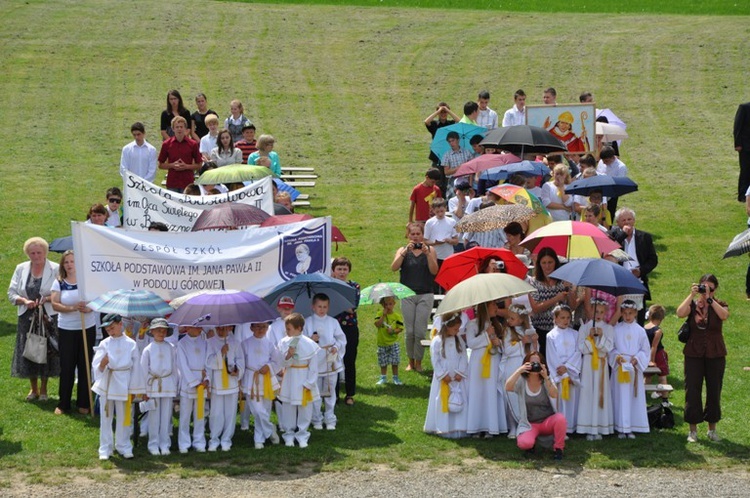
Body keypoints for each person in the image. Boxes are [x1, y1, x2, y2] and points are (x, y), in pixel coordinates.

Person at [676, 274, 729, 443]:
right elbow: (679, 313)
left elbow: (724, 316)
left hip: (715, 352)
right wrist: (691, 295)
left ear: (715, 289)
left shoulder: (719, 304)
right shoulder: (693, 304)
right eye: (703, 287)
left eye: (710, 288)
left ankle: (712, 429)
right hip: (693, 352)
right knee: (692, 389)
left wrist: (710, 300)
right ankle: (693, 431)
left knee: (714, 390)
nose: (706, 291)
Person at [8, 237, 60, 402]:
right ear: (27, 253)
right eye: (32, 253)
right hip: (27, 317)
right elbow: (11, 293)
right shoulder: (21, 268)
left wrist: (48, 298)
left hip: (47, 317)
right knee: (29, 350)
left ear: (45, 252)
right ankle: (33, 388)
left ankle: (44, 389)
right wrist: (24, 301)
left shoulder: (56, 268)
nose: (36, 255)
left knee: (46, 351)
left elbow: (63, 292)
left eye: (39, 252)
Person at [91, 313, 146, 460]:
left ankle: (124, 445)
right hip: (108, 382)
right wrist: (102, 364)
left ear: (120, 324)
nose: (110, 331)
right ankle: (105, 448)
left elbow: (136, 369)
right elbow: (96, 365)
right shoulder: (104, 343)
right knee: (106, 416)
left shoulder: (131, 344)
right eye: (108, 330)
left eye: (112, 328)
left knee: (124, 417)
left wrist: (134, 389)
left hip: (124, 382)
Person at [50, 250, 94, 415]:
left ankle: (83, 402)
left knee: (85, 364)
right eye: (66, 262)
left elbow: (97, 300)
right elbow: (55, 304)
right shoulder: (59, 282)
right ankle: (64, 403)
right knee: (67, 365)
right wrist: (72, 308)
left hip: (86, 327)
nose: (69, 265)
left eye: (72, 261)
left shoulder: (87, 281)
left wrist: (89, 308)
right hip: (67, 329)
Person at [391, 222, 438, 372]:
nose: (416, 237)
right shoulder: (402, 250)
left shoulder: (430, 250)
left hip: (425, 294)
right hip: (407, 294)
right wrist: (405, 252)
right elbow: (394, 267)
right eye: (413, 234)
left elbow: (434, 271)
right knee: (409, 331)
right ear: (408, 236)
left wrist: (428, 254)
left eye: (418, 234)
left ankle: (418, 361)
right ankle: (410, 361)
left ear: (423, 235)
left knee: (419, 330)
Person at [505, 351, 566, 460]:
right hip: (530, 423)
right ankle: (531, 444)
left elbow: (554, 394)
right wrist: (519, 370)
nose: (534, 366)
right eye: (531, 363)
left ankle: (559, 449)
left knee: (560, 418)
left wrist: (546, 376)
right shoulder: (522, 381)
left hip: (547, 422)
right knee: (524, 443)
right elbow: (508, 387)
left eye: (537, 363)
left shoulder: (546, 380)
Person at [304, 293, 346, 430]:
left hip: (329, 360)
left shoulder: (333, 322)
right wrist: (311, 339)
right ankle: (316, 418)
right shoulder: (308, 322)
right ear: (313, 307)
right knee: (315, 391)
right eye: (319, 306)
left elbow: (341, 338)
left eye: (325, 307)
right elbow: (302, 341)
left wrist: (336, 347)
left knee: (330, 389)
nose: (322, 309)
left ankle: (330, 417)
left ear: (328, 307)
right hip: (315, 361)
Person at [277, 313, 321, 448]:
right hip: (290, 377)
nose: (287, 331)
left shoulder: (310, 344)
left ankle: (302, 434)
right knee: (288, 407)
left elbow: (314, 368)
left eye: (289, 328)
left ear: (299, 328)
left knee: (305, 408)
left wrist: (309, 383)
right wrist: (289, 354)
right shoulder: (284, 342)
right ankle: (288, 434)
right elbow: (283, 364)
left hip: (304, 378)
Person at [609, 300, 650, 439]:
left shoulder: (640, 331)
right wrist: (616, 357)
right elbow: (611, 348)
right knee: (620, 396)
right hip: (620, 368)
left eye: (630, 313)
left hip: (633, 369)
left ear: (635, 313)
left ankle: (631, 426)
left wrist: (637, 359)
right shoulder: (616, 329)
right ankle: (620, 427)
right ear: (621, 313)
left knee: (632, 397)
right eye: (625, 313)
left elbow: (645, 350)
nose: (627, 316)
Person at [610, 207, 658, 324]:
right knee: (621, 316)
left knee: (638, 316)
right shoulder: (614, 235)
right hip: (620, 282)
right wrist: (623, 234)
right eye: (623, 220)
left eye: (629, 219)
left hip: (638, 282)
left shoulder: (644, 237)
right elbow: (611, 248)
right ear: (618, 223)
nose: (627, 222)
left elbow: (653, 260)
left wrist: (640, 271)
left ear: (634, 221)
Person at [466, 299, 507, 437]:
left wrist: (497, 342)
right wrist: (486, 335)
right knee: (478, 391)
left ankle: (491, 425)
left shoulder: (497, 325)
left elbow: (503, 345)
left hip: (493, 360)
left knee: (491, 390)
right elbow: (471, 343)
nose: (496, 307)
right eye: (493, 304)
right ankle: (476, 426)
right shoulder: (472, 324)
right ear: (485, 307)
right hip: (478, 362)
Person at [423, 312, 468, 438]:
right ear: (447, 327)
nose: (457, 331)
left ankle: (458, 426)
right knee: (442, 399)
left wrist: (460, 372)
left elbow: (464, 356)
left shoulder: (458, 339)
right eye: (455, 329)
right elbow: (435, 360)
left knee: (458, 398)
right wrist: (443, 375)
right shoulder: (437, 341)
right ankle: (442, 426)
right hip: (445, 378)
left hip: (457, 377)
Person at [240, 321, 283, 449]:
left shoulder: (270, 344)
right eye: (258, 326)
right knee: (257, 410)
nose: (261, 329)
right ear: (251, 327)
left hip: (265, 379)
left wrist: (269, 366)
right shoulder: (245, 344)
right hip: (251, 379)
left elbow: (277, 361)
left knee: (265, 409)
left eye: (264, 327)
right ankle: (270, 428)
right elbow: (242, 363)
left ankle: (259, 439)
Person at [576, 298, 614, 440]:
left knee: (599, 392)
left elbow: (609, 347)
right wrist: (589, 338)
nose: (598, 314)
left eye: (601, 312)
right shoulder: (584, 328)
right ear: (590, 311)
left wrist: (602, 337)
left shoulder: (609, 328)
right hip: (588, 365)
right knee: (587, 392)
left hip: (601, 365)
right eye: (596, 311)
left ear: (605, 313)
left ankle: (599, 427)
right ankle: (586, 427)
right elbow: (581, 348)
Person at [140, 318, 178, 456]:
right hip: (153, 384)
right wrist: (145, 390)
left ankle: (165, 443)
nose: (161, 333)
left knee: (166, 415)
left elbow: (175, 368)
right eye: (158, 330)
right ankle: (153, 444)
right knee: (154, 416)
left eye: (163, 330)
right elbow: (143, 370)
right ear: (152, 331)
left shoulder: (171, 348)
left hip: (167, 383)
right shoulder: (148, 349)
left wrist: (175, 385)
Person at [527, 247, 573, 357]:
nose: (547, 266)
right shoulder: (533, 282)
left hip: (562, 330)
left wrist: (570, 290)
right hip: (541, 331)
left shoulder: (563, 281)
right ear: (539, 264)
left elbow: (573, 306)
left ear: (555, 263)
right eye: (544, 263)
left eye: (550, 262)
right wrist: (556, 298)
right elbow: (536, 308)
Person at [205, 324, 244, 452]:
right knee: (216, 413)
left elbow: (240, 360)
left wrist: (237, 370)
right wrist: (220, 353)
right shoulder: (210, 342)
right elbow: (208, 362)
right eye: (218, 328)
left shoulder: (236, 342)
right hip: (217, 382)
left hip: (231, 381)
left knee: (230, 413)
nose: (221, 331)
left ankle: (226, 439)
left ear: (229, 328)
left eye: (224, 328)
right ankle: (214, 439)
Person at [545, 304, 581, 434]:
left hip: (571, 373)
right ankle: (561, 428)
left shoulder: (576, 334)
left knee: (572, 400)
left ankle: (572, 426)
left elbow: (578, 352)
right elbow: (551, 356)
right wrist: (562, 373)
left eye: (568, 317)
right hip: (560, 375)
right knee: (561, 402)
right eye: (562, 317)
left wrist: (568, 368)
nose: (565, 320)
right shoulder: (551, 336)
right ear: (555, 318)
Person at [499, 304, 534, 438]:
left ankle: (523, 423)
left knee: (523, 396)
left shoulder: (529, 330)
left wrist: (533, 341)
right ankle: (512, 425)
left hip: (524, 365)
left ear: (521, 320)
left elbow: (533, 350)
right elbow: (507, 350)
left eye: (512, 318)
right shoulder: (508, 332)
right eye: (509, 318)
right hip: (512, 366)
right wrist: (521, 343)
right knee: (511, 394)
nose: (509, 321)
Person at [331, 257, 361, 405]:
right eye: (339, 269)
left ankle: (349, 394)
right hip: (332, 329)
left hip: (349, 327)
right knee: (333, 360)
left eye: (344, 269)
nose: (342, 272)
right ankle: (333, 395)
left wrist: (337, 298)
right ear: (333, 271)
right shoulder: (328, 286)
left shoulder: (354, 286)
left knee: (349, 360)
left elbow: (351, 308)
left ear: (349, 271)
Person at [176, 324, 208, 454]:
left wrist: (207, 379)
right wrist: (193, 382)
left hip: (202, 381)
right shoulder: (182, 343)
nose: (200, 329)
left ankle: (199, 441)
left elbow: (208, 362)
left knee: (200, 414)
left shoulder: (205, 343)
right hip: (188, 383)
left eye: (200, 326)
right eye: (196, 326)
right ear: (188, 328)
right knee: (185, 414)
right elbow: (182, 364)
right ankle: (184, 443)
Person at [158, 116, 202, 193]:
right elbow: (160, 165)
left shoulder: (193, 144)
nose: (179, 129)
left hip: (187, 183)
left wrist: (186, 166)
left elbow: (199, 164)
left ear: (185, 129)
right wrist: (172, 165)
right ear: (173, 129)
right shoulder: (166, 144)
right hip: (172, 183)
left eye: (181, 127)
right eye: (177, 127)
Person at [424, 198, 458, 288]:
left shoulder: (452, 222)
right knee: (434, 281)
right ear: (433, 210)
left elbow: (456, 241)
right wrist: (435, 243)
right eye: (437, 211)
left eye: (442, 211)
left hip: (448, 256)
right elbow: (425, 240)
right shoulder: (430, 223)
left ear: (445, 209)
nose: (440, 214)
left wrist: (449, 240)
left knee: (447, 281)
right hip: (435, 256)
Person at [374, 296, 404, 385]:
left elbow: (401, 328)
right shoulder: (379, 314)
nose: (388, 306)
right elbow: (377, 325)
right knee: (383, 361)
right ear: (382, 305)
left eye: (390, 304)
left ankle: (396, 377)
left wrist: (393, 331)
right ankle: (383, 377)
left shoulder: (397, 316)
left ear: (394, 304)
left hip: (393, 342)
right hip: (382, 342)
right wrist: (383, 315)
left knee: (395, 361)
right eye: (386, 304)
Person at [644, 304, 670, 400]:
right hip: (657, 354)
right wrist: (652, 360)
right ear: (661, 318)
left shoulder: (644, 328)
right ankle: (665, 399)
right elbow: (654, 347)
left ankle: (642, 397)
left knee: (647, 376)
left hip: (645, 354)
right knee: (662, 376)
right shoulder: (657, 331)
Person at [596, 146, 628, 220]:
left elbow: (619, 184)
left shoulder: (621, 167)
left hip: (611, 194)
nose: (604, 163)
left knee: (609, 215)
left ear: (612, 157)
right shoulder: (601, 162)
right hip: (599, 191)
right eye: (603, 160)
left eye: (606, 161)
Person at [424, 102, 460, 166]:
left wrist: (448, 111)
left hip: (449, 154)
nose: (443, 114)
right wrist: (438, 111)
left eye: (445, 112)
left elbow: (459, 121)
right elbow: (426, 121)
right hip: (437, 155)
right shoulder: (434, 124)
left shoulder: (451, 124)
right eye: (441, 112)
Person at [440, 131, 474, 197]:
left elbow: (471, 170)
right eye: (449, 142)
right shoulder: (447, 155)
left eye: (453, 140)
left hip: (465, 179)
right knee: (452, 200)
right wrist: (458, 168)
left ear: (458, 140)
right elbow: (446, 172)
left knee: (466, 200)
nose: (451, 143)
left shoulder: (467, 153)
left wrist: (470, 184)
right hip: (453, 180)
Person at [733, 102, 750, 202]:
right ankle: (742, 195)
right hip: (746, 146)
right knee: (746, 170)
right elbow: (737, 127)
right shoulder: (744, 108)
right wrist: (738, 144)